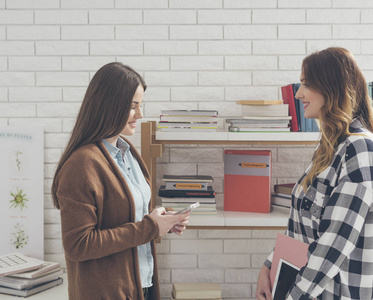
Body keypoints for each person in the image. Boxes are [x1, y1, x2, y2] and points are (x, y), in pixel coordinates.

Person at [51, 62, 190, 300]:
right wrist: (151, 227)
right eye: (132, 106)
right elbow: (79, 244)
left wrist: (163, 220)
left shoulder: (128, 153)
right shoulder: (82, 164)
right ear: (109, 106)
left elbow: (127, 216)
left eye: (141, 105)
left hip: (141, 285)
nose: (140, 115)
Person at [256, 47, 373, 300]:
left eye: (306, 84)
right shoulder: (330, 148)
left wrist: (292, 296)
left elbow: (333, 245)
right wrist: (269, 265)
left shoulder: (359, 149)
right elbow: (301, 227)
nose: (298, 94)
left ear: (331, 87)